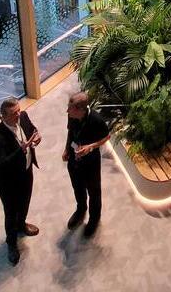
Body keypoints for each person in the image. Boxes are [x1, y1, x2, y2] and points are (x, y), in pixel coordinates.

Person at [0, 98, 41, 265]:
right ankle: (11, 243)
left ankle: (22, 225)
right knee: (11, 213)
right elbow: (3, 163)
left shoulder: (23, 116)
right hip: (9, 181)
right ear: (3, 117)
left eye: (18, 110)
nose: (18, 115)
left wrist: (37, 137)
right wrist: (21, 150)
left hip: (26, 171)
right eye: (13, 113)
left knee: (25, 202)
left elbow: (32, 129)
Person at [62, 92, 110, 237]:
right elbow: (70, 132)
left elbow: (106, 137)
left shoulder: (96, 120)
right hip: (74, 159)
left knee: (94, 192)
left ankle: (94, 219)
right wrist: (66, 149)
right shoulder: (72, 116)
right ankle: (81, 209)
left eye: (70, 108)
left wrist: (91, 146)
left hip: (91, 163)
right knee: (77, 187)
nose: (67, 111)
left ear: (81, 110)